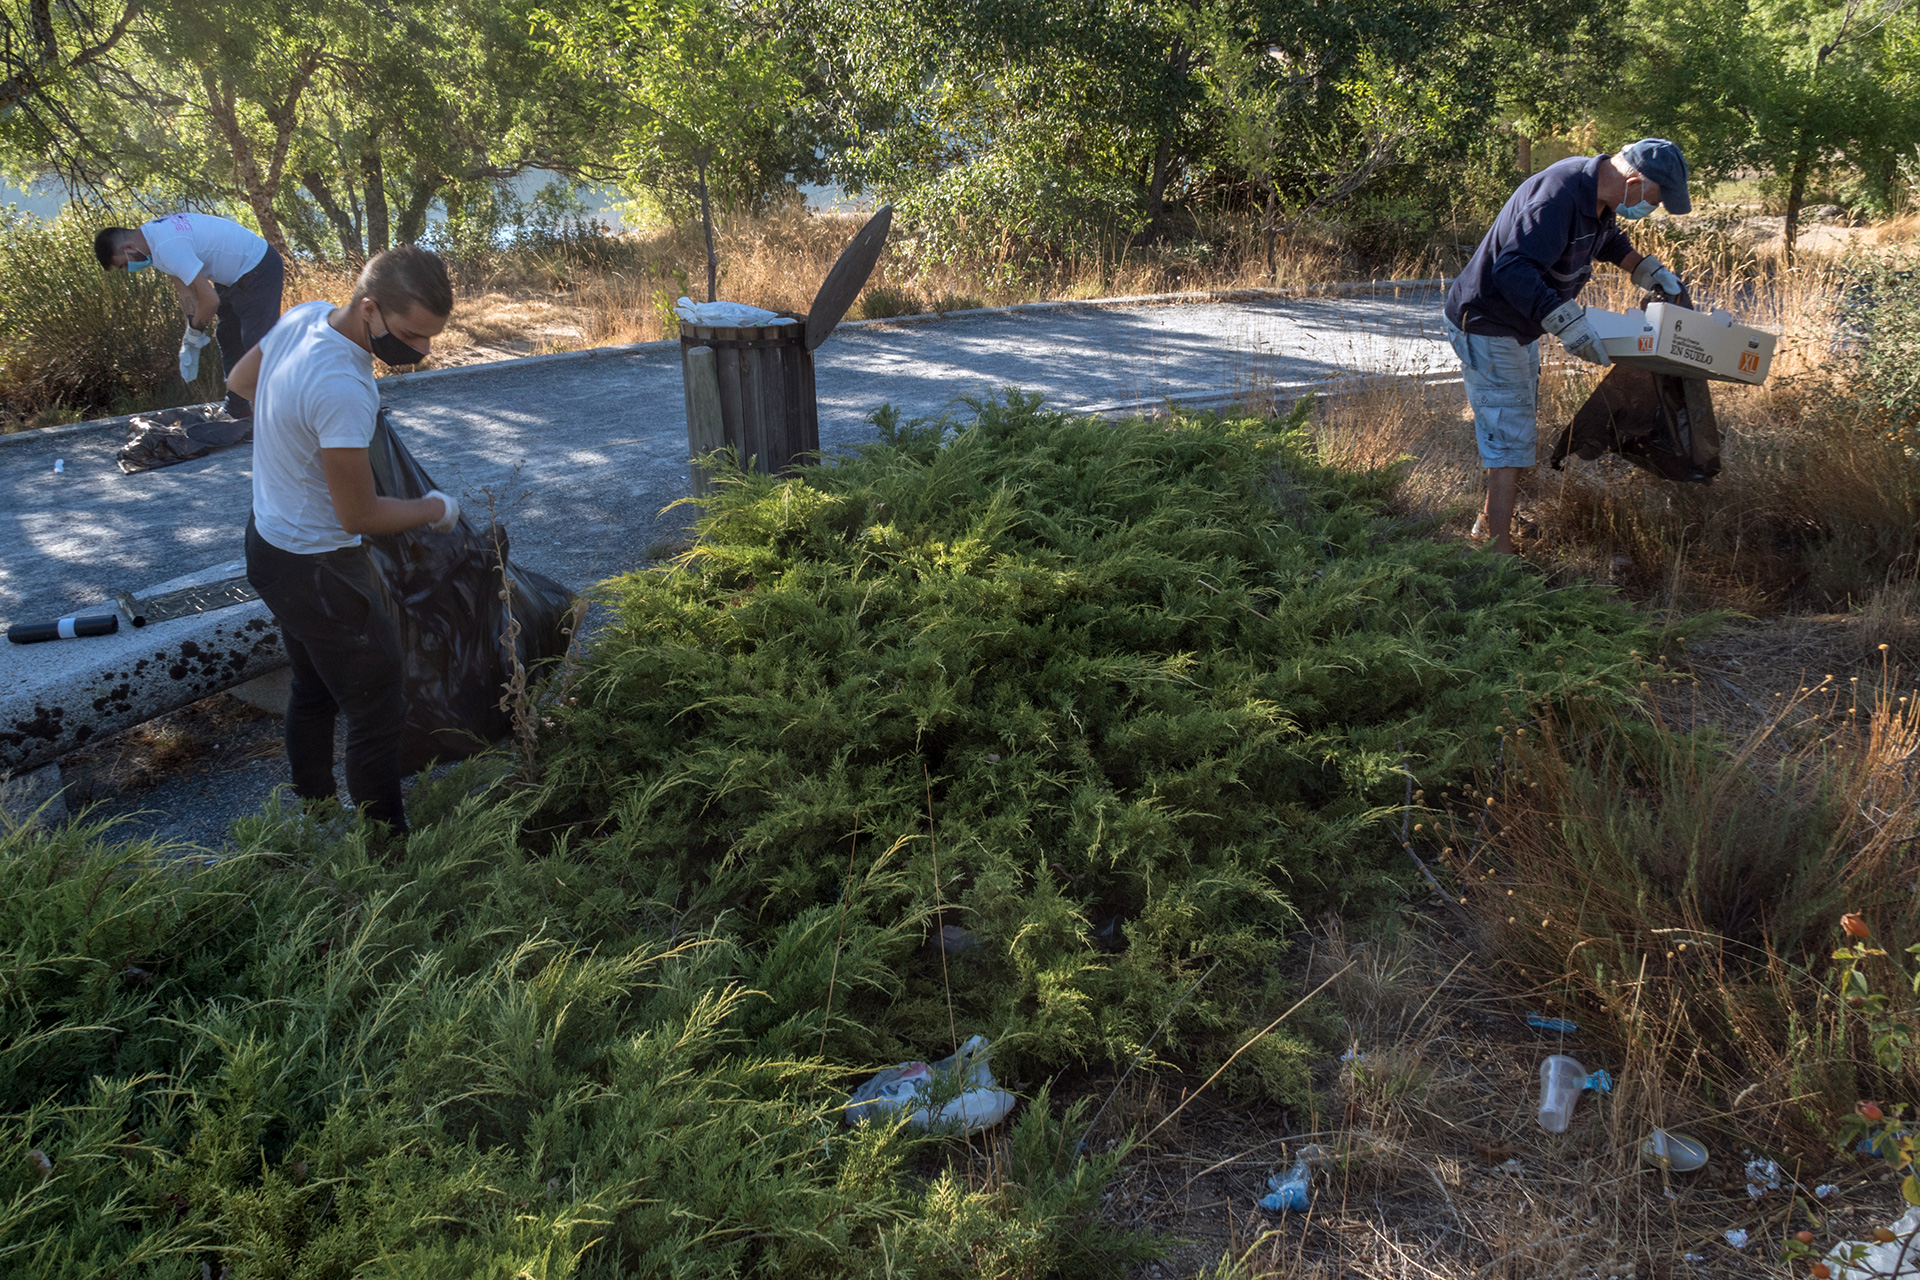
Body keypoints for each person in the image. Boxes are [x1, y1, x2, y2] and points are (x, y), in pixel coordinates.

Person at [228, 245, 461, 836]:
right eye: (410, 334)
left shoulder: (306, 315)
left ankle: (315, 807)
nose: (420, 350)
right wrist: (434, 508)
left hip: (267, 542)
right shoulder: (344, 389)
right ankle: (388, 857)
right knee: (377, 709)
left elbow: (240, 381)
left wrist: (291, 431)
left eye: (431, 338)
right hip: (320, 570)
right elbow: (358, 514)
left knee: (313, 685)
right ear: (370, 309)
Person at [1442, 138, 1691, 555]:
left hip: (1517, 325)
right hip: (1487, 321)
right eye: (1657, 197)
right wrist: (1565, 322)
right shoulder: (1558, 196)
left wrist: (1645, 269)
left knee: (1516, 422)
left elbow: (1606, 239)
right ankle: (1496, 555)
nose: (1655, 208)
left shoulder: (1600, 197)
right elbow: (1513, 270)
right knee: (1510, 435)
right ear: (1634, 181)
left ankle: (1491, 521)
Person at [93, 212, 287, 420]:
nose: (129, 270)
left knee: (257, 343)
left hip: (258, 267)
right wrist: (190, 332)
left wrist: (195, 333)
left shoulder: (167, 246)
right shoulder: (152, 240)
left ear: (129, 248)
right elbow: (186, 291)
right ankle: (237, 409)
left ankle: (285, 413)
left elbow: (211, 300)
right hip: (231, 275)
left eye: (124, 264)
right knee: (228, 337)